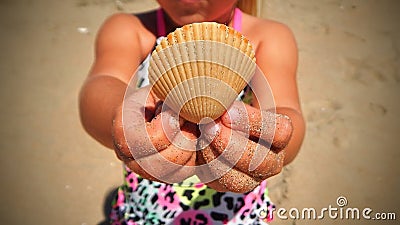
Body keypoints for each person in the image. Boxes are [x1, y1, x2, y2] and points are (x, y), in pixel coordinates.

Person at [79, 0, 305, 224]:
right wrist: (124, 118)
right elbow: (101, 86)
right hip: (148, 210)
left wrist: (271, 145)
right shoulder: (130, 29)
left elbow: (286, 112)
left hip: (236, 212)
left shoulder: (268, 37)